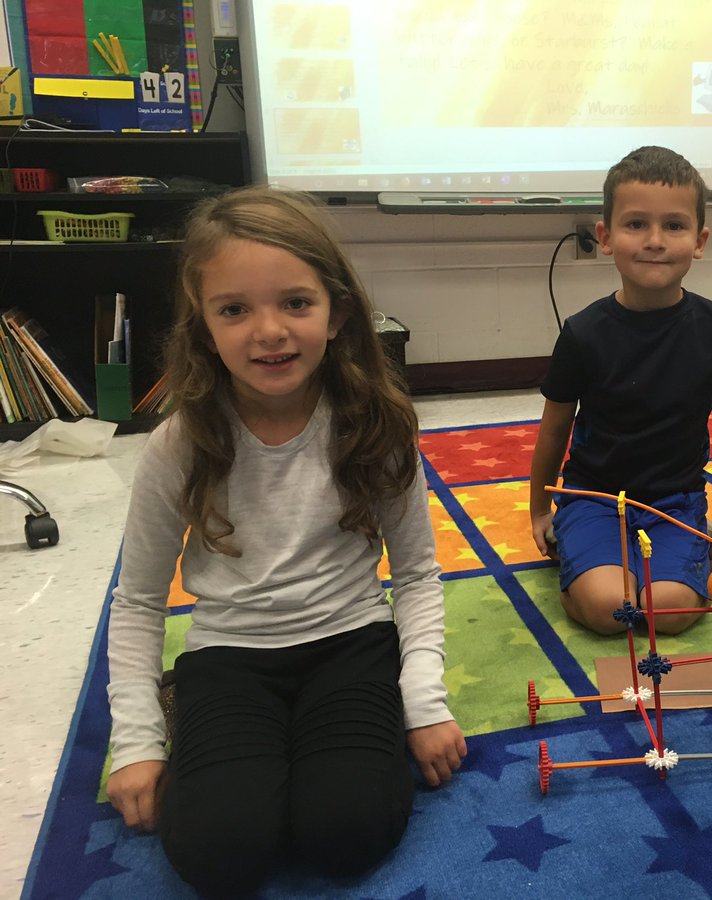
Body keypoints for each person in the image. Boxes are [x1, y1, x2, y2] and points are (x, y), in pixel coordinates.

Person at [105, 186, 466, 896]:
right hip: (228, 656)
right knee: (217, 853)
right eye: (235, 309)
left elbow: (418, 575)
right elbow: (139, 600)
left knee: (347, 835)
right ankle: (202, 715)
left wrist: (424, 701)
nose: (268, 330)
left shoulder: (375, 425)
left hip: (350, 642)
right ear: (203, 327)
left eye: (295, 303)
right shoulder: (180, 442)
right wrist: (139, 742)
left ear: (337, 314)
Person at [528, 146, 712, 636]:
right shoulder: (582, 332)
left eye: (674, 226)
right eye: (636, 225)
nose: (655, 241)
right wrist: (538, 511)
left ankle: (654, 564)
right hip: (593, 498)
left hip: (676, 500)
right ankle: (586, 560)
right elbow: (553, 429)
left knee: (670, 612)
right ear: (606, 237)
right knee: (614, 610)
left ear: (700, 240)